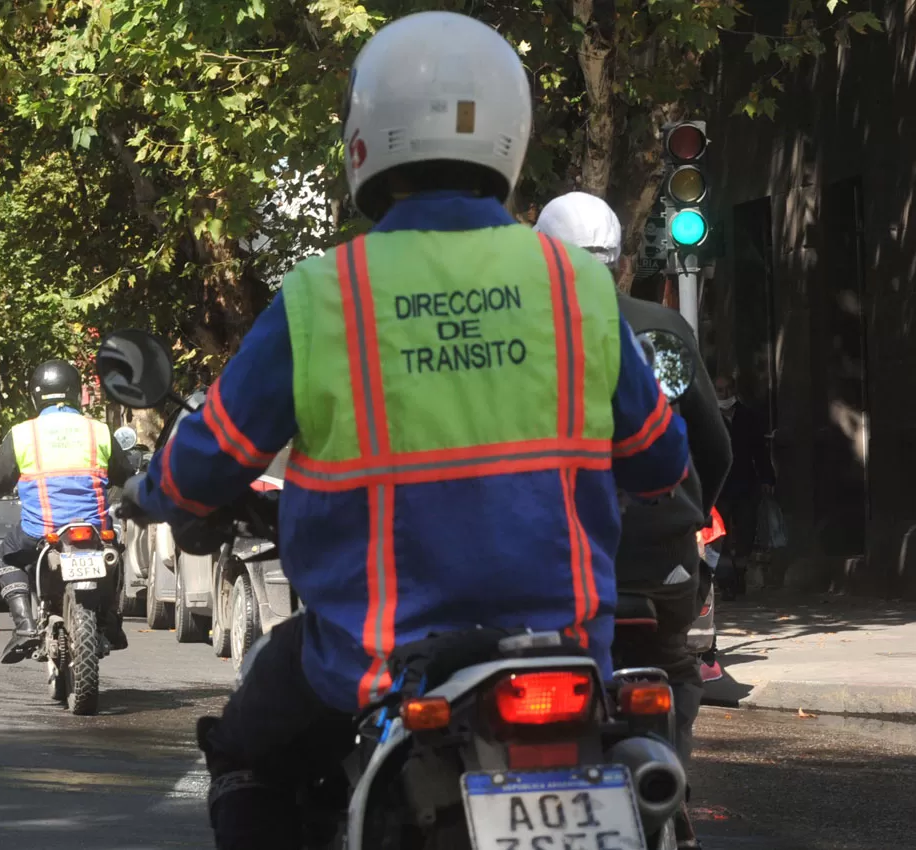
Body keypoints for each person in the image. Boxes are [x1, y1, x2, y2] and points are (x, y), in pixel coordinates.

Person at [119, 13, 690, 849]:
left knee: (247, 752)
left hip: (378, 664)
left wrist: (149, 490)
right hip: (566, 655)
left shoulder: (325, 295)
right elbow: (659, 462)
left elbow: (207, 461)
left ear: (363, 142)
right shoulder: (576, 287)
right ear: (512, 136)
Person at [534, 191, 732, 772]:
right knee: (673, 668)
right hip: (660, 556)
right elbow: (713, 448)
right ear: (621, 262)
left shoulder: (514, 336)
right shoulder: (664, 327)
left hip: (552, 562)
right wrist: (692, 515)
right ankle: (670, 789)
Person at [0, 359, 136, 663]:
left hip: (42, 532)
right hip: (93, 530)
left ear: (36, 396)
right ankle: (113, 621)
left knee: (7, 554)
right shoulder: (99, 431)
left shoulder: (24, 434)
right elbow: (125, 476)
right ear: (76, 393)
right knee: (116, 553)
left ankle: (25, 627)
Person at [713, 374, 775, 599]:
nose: (725, 394)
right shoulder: (709, 416)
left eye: (729, 389)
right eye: (720, 390)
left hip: (745, 484)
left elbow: (760, 450)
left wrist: (767, 478)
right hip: (718, 487)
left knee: (746, 532)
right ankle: (726, 579)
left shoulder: (748, 416)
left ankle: (739, 574)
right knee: (719, 536)